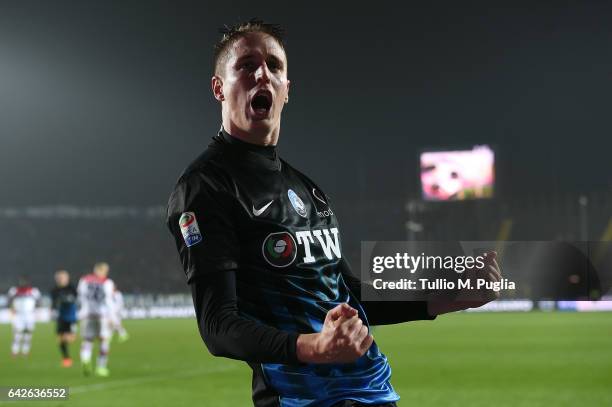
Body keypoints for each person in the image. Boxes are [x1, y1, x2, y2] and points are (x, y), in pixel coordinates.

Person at [166, 19, 502, 407]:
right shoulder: (206, 187)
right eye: (246, 65)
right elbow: (218, 327)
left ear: (287, 90)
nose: (263, 74)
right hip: (303, 399)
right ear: (219, 88)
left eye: (275, 66)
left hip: (372, 392)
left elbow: (348, 293)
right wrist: (315, 346)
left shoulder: (308, 190)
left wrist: (446, 296)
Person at [77, 262, 115, 377]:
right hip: (102, 315)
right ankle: (101, 367)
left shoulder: (84, 280)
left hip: (87, 314)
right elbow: (108, 300)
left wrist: (82, 311)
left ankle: (85, 359)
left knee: (88, 339)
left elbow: (80, 296)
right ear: (103, 271)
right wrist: (112, 317)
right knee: (104, 340)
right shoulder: (107, 282)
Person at [51, 270, 78, 367]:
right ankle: (66, 358)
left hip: (71, 317)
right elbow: (54, 303)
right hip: (61, 317)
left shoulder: (72, 288)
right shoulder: (55, 290)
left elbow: (77, 299)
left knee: (70, 338)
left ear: (67, 278)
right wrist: (53, 310)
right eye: (58, 278)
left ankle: (77, 353)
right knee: (60, 339)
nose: (60, 280)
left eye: (62, 277)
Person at [7, 277, 41, 357]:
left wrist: (36, 310)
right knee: (17, 333)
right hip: (18, 314)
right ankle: (14, 351)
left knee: (28, 333)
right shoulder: (14, 290)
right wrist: (11, 308)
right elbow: (9, 300)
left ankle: (25, 351)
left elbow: (39, 301)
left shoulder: (33, 291)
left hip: (29, 315)